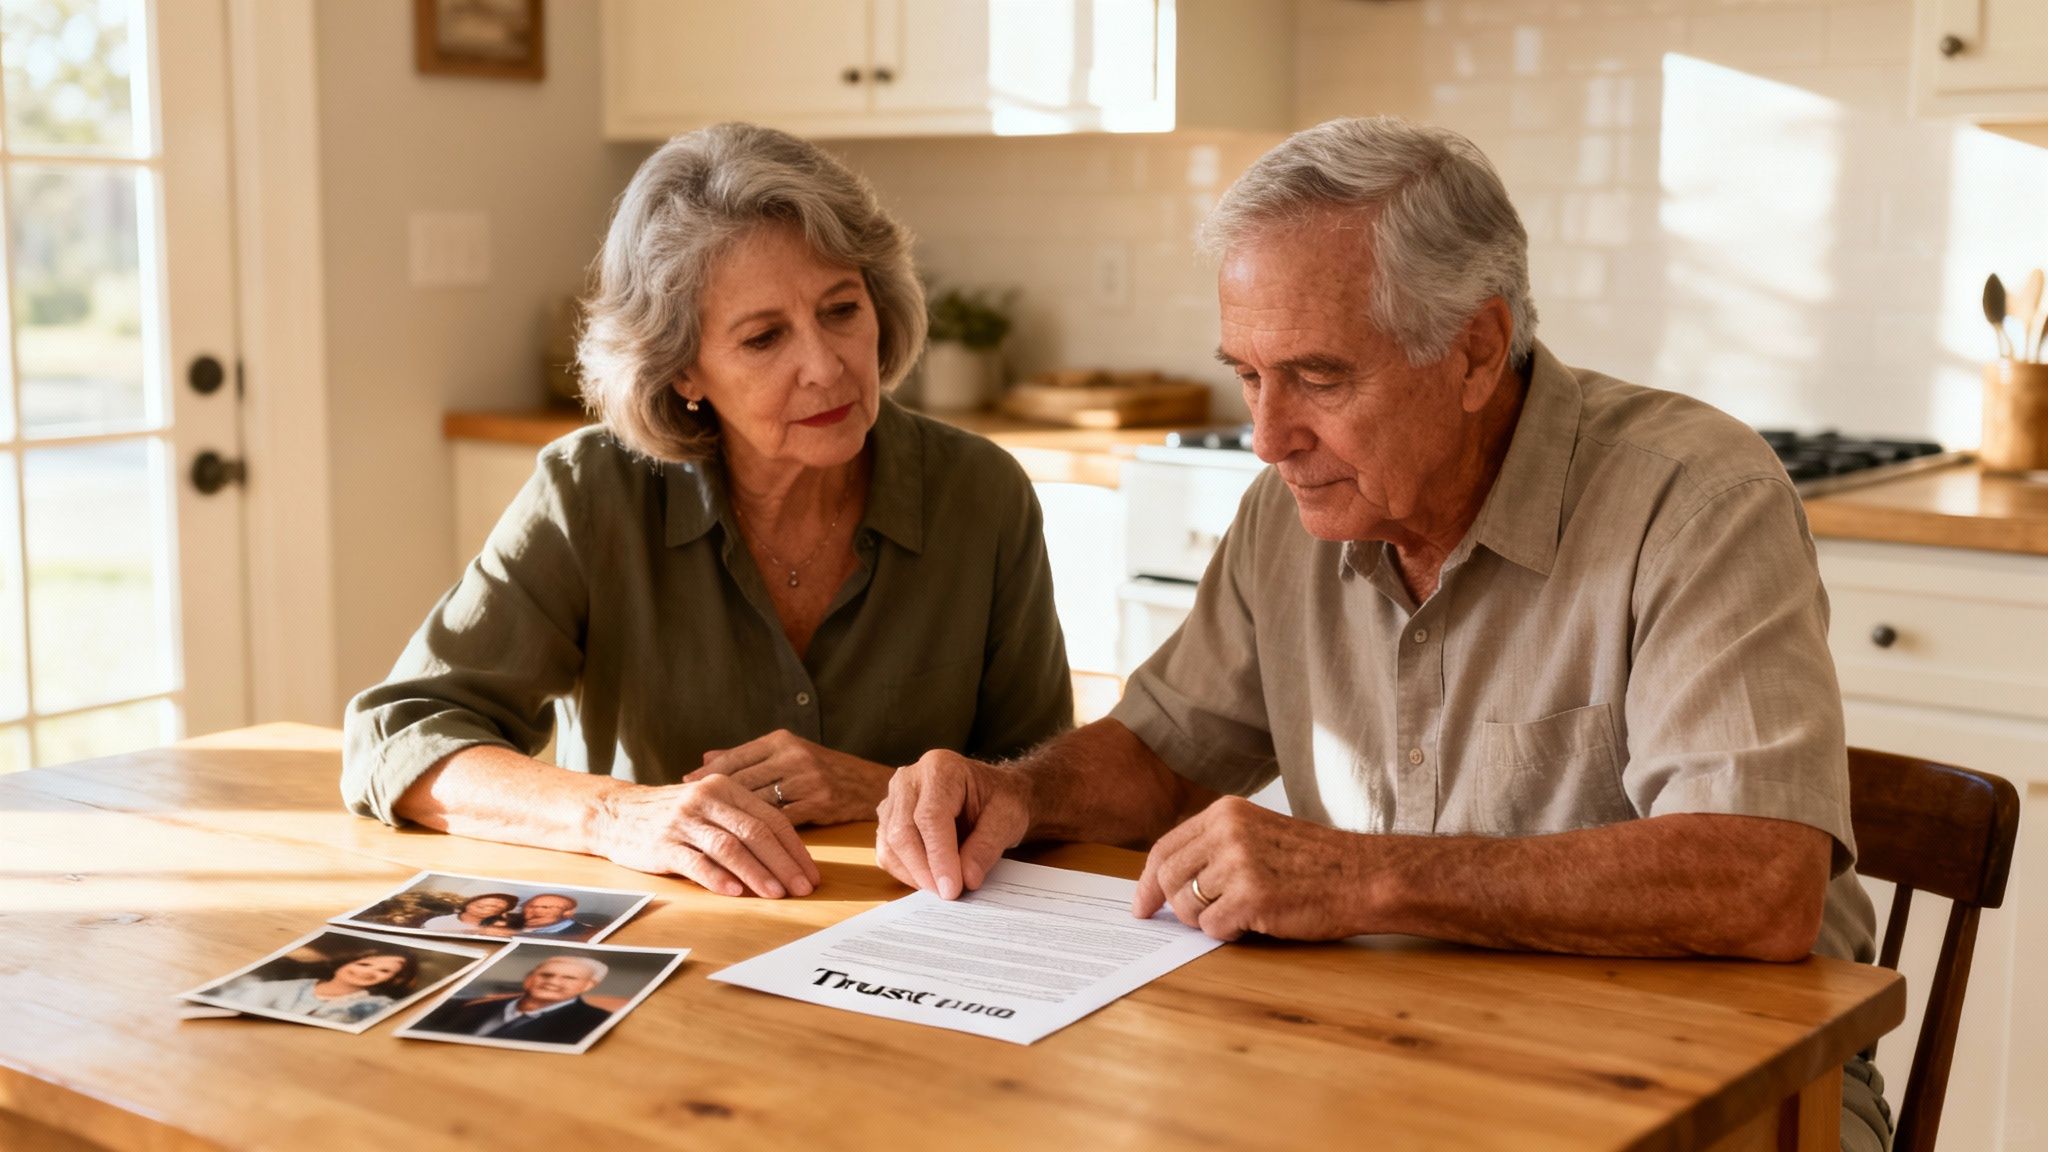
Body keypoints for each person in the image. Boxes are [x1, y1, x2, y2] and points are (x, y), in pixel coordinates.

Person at [874, 117, 1891, 1152]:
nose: (1269, 437)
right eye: (1247, 376)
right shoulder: (1290, 509)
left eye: (1318, 377)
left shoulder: (1694, 499)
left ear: (1474, 351)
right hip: (1397, 1051)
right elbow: (1160, 753)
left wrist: (1364, 875)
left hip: (1720, 1078)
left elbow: (1757, 883)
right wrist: (1017, 793)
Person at [342, 123, 1073, 901]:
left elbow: (1046, 790)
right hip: (663, 948)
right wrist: (614, 816)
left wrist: (878, 788)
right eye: (764, 338)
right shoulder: (591, 492)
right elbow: (399, 737)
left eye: (841, 310)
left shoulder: (982, 494)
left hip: (915, 951)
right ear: (683, 366)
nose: (825, 366)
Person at [409, 956, 615, 1045]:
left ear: (588, 986)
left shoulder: (596, 1023)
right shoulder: (464, 1006)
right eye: (546, 975)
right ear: (530, 978)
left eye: (568, 978)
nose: (553, 982)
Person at [215, 947, 418, 1025]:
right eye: (364, 964)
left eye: (384, 971)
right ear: (344, 964)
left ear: (394, 980)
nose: (366, 971)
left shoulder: (380, 1006)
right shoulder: (283, 987)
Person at [479, 893, 600, 941]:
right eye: (530, 907)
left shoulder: (589, 932)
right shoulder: (511, 924)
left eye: (546, 907)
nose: (535, 912)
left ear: (568, 912)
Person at [416, 891, 520, 935]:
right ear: (468, 903)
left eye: (494, 905)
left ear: (499, 913)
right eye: (482, 901)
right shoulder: (438, 922)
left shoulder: (500, 930)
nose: (485, 904)